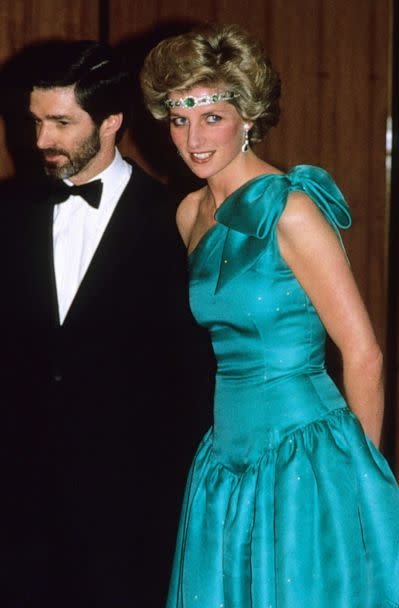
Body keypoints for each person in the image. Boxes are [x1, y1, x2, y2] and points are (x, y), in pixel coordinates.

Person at [140, 24, 399, 607]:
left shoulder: (292, 208)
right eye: (179, 119)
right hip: (225, 459)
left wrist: (360, 480)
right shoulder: (190, 213)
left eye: (212, 116)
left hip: (304, 457)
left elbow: (364, 354)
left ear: (248, 116)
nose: (192, 138)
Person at [0, 40, 212, 607]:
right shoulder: (7, 212)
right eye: (36, 121)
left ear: (112, 120)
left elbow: (193, 381)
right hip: (18, 521)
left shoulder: (178, 220)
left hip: (129, 519)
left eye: (61, 123)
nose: (42, 139)